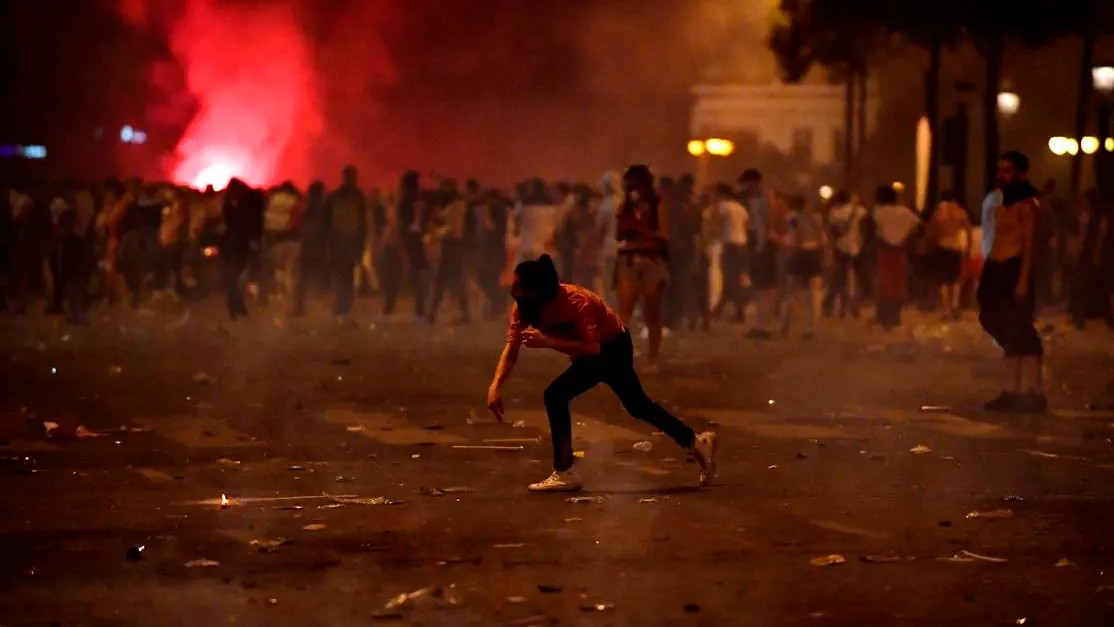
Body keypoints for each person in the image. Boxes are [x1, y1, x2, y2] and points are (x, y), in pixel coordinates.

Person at [485, 254, 717, 492]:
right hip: (595, 352)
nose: (513, 293)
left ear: (536, 293)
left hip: (613, 347)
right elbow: (511, 348)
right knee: (638, 405)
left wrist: (548, 341)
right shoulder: (524, 308)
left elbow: (592, 348)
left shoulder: (576, 302)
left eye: (518, 289)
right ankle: (697, 442)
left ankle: (565, 470)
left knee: (556, 395)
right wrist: (495, 386)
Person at [978, 151, 1045, 412]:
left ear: (1021, 173)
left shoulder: (1027, 205)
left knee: (1021, 328)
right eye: (1001, 169)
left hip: (1015, 269)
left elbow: (1029, 245)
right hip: (996, 269)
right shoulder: (1001, 204)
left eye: (1008, 170)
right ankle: (1012, 391)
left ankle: (1031, 391)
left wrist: (1023, 279)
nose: (1002, 174)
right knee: (994, 321)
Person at [615, 165, 670, 371]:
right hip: (629, 262)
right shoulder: (625, 207)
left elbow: (663, 234)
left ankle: (652, 358)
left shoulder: (658, 205)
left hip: (651, 262)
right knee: (624, 313)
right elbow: (619, 235)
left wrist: (639, 234)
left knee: (652, 313)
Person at [871, 185, 920, 330]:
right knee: (898, 284)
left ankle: (883, 318)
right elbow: (918, 227)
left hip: (883, 251)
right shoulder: (906, 212)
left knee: (883, 284)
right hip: (901, 251)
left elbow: (870, 230)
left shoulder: (878, 212)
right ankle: (895, 318)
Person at [322, 166, 368, 323]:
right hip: (343, 241)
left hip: (344, 241)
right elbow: (362, 223)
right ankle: (342, 310)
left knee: (344, 276)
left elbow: (362, 223)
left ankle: (343, 309)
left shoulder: (337, 197)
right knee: (344, 276)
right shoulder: (353, 197)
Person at [782, 194, 827, 339]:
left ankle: (786, 323)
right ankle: (811, 328)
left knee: (792, 291)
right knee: (813, 293)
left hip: (798, 254)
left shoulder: (792, 218)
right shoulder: (817, 219)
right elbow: (823, 240)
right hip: (813, 254)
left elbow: (791, 238)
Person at [709, 183, 750, 322]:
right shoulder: (740, 208)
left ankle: (729, 310)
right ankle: (722, 310)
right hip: (742, 244)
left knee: (729, 278)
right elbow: (746, 226)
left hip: (730, 245)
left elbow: (716, 223)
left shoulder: (722, 206)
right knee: (735, 278)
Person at [927, 190, 970, 320]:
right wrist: (968, 247)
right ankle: (955, 304)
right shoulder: (961, 212)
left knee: (943, 280)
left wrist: (930, 246)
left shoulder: (939, 213)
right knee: (955, 279)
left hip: (942, 246)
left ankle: (945, 309)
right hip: (956, 247)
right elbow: (968, 231)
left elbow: (932, 232)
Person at [823, 191, 867, 318]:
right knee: (857, 280)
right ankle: (854, 309)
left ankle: (832, 307)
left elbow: (832, 232)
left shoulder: (834, 212)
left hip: (840, 248)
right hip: (857, 248)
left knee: (838, 280)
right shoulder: (860, 212)